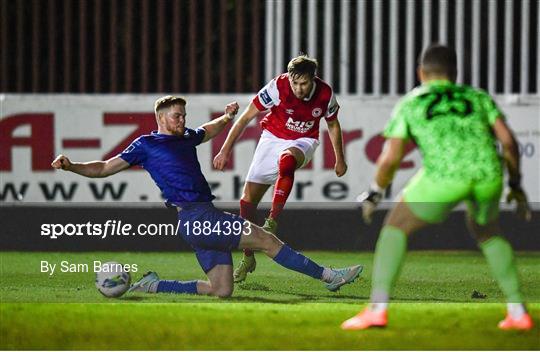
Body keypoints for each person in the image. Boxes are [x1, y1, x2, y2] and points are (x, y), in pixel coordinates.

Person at [51, 95, 362, 298]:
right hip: (200, 217)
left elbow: (206, 130)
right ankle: (328, 276)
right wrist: (72, 166)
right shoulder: (145, 145)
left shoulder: (185, 136)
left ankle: (154, 285)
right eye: (176, 116)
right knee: (268, 241)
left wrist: (225, 119)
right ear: (160, 117)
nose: (182, 120)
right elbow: (104, 167)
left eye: (184, 115)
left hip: (193, 224)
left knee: (221, 290)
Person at [341, 45, 534, 331]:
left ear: (420, 73)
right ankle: (518, 312)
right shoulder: (477, 97)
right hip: (488, 174)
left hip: (445, 175)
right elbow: (509, 143)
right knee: (488, 230)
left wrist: (375, 191)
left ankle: (376, 309)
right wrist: (516, 185)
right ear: (454, 74)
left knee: (395, 227)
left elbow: (391, 157)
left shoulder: (412, 102)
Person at [213, 55, 347, 283]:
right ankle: (248, 257)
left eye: (303, 83)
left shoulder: (325, 93)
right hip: (272, 138)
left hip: (304, 141)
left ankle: (272, 221)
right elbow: (246, 117)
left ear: (313, 79)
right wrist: (225, 149)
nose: (298, 88)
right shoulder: (277, 86)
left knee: (287, 161)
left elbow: (332, 124)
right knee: (246, 202)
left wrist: (339, 158)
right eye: (294, 83)